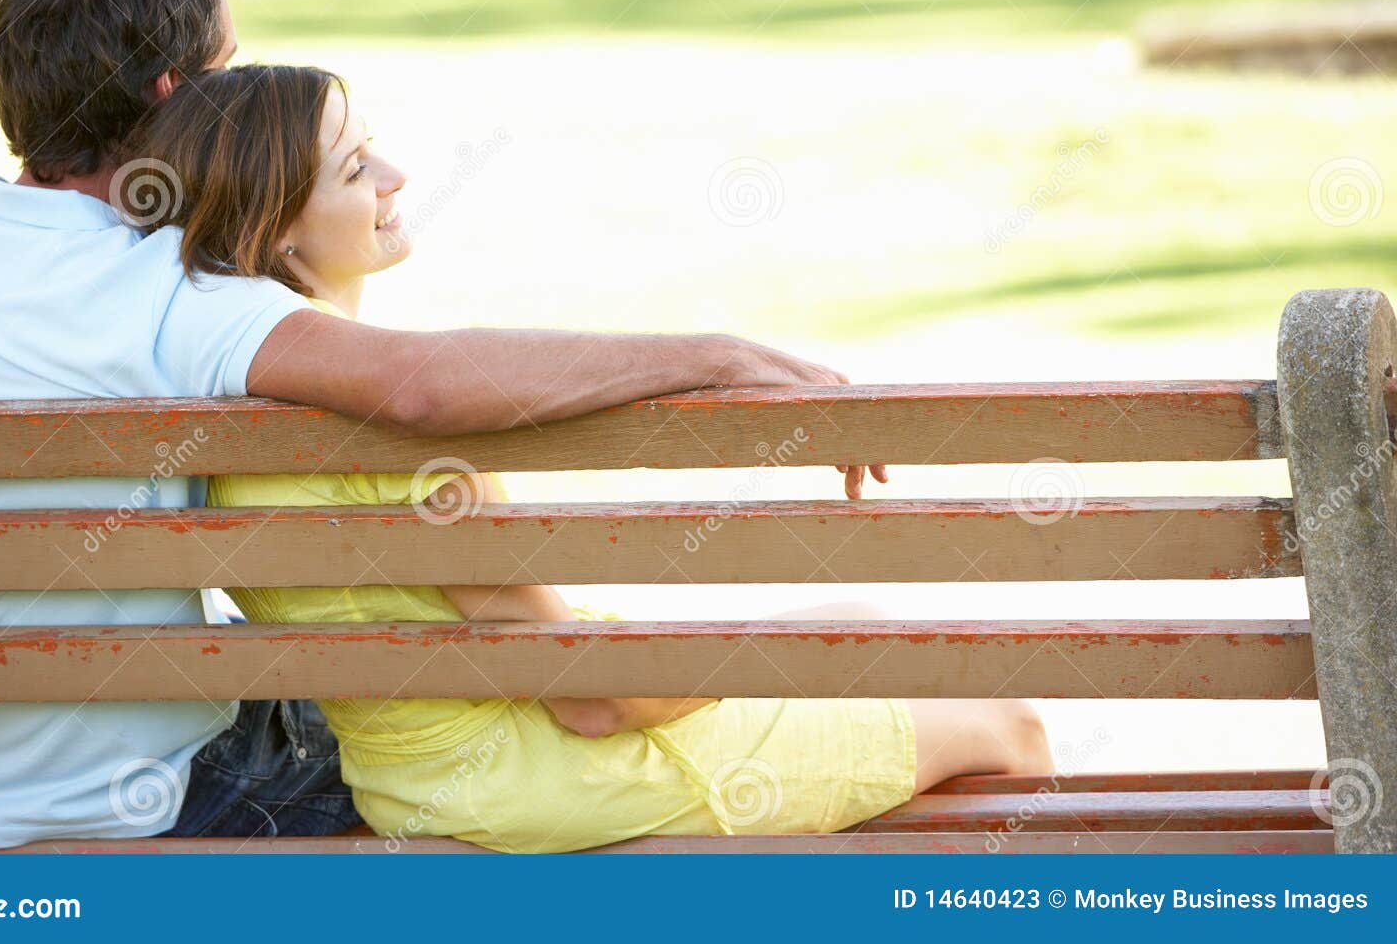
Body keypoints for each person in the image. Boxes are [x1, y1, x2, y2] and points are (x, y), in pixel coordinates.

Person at [0, 0, 906, 849]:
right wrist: (711, 356)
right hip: (172, 798)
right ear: (176, 92)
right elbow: (420, 383)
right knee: (514, 722)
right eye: (233, 69)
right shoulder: (163, 289)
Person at [123, 62, 1056, 852]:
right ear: (280, 225)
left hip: (419, 772)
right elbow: (599, 703)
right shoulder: (399, 428)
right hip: (542, 780)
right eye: (358, 166)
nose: (399, 173)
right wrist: (790, 651)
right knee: (1003, 720)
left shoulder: (232, 405)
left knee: (873, 623)